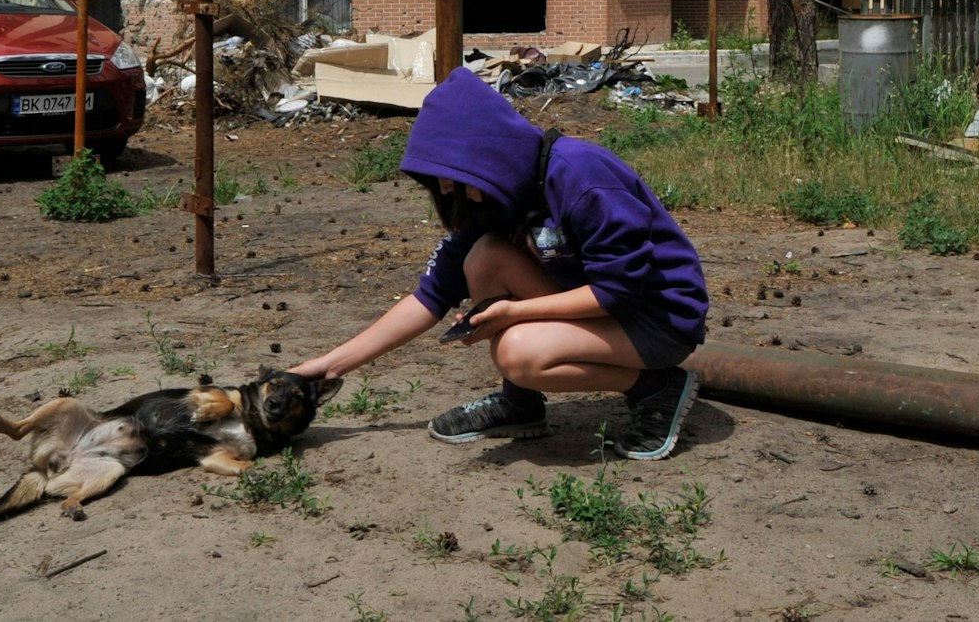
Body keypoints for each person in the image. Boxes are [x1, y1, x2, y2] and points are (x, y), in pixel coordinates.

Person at [291, 67, 709, 461]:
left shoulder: (581, 177)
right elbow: (430, 296)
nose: (455, 194)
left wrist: (515, 313)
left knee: (517, 351)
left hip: (657, 318)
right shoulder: (498, 195)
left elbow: (618, 290)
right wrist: (328, 367)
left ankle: (656, 388)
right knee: (486, 257)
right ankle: (520, 404)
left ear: (486, 152)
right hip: (606, 310)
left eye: (457, 180)